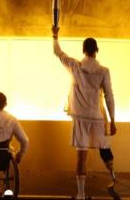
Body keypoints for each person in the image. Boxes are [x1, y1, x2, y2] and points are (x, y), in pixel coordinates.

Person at [51, 26, 119, 200]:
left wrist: (55, 35)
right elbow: (110, 96)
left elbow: (58, 52)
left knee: (81, 158)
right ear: (96, 51)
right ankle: (113, 178)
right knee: (104, 147)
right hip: (96, 117)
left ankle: (81, 195)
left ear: (83, 50)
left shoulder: (75, 66)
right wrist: (112, 119)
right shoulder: (103, 71)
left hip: (80, 117)